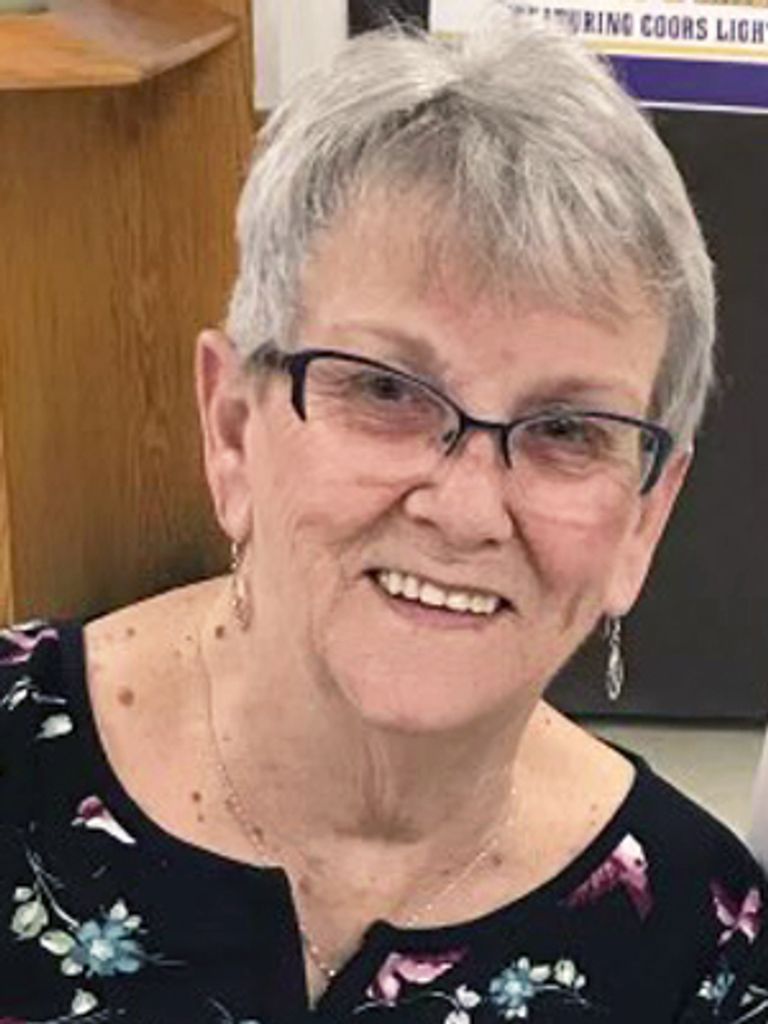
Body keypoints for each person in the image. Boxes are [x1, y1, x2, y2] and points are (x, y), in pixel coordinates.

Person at [1, 15, 766, 1024]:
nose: (465, 510)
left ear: (644, 518)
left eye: (567, 429)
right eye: (386, 390)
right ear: (232, 427)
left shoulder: (702, 948)